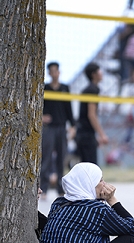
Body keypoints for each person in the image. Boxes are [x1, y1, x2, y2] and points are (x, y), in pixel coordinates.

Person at [41, 62, 76, 199]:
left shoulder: (65, 88)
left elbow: (69, 108)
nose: (54, 73)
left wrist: (72, 126)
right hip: (49, 128)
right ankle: (43, 188)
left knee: (62, 158)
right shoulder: (45, 88)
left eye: (56, 71)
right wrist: (42, 117)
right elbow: (39, 106)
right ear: (49, 73)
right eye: (52, 71)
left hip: (62, 127)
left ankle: (60, 189)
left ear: (59, 72)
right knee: (46, 157)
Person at [75, 63, 109, 165]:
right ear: (94, 74)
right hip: (85, 135)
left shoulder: (90, 89)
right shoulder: (92, 90)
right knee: (91, 167)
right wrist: (102, 134)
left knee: (86, 166)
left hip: (85, 133)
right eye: (99, 71)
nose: (101, 73)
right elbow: (91, 115)